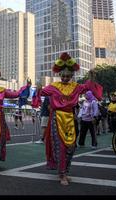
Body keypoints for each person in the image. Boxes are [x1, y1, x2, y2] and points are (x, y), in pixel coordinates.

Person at [32, 52, 103, 186]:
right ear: (60, 75)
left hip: (70, 119)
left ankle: (65, 170)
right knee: (60, 146)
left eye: (68, 76)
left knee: (71, 147)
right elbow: (41, 92)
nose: (65, 78)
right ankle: (62, 173)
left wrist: (92, 76)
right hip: (56, 119)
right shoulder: (53, 87)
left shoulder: (76, 87)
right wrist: (39, 86)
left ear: (71, 76)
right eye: (63, 75)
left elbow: (88, 86)